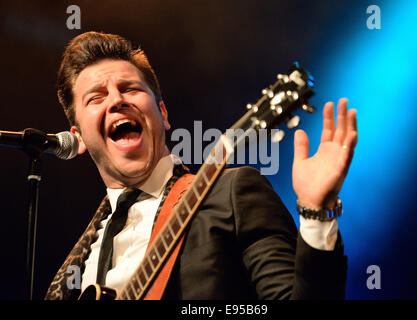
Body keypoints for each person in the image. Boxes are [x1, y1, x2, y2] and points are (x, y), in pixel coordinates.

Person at [45, 31, 358, 300]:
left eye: (129, 89)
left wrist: (316, 213)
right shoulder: (77, 265)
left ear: (163, 114)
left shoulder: (230, 194)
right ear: (79, 137)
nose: (116, 100)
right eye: (96, 97)